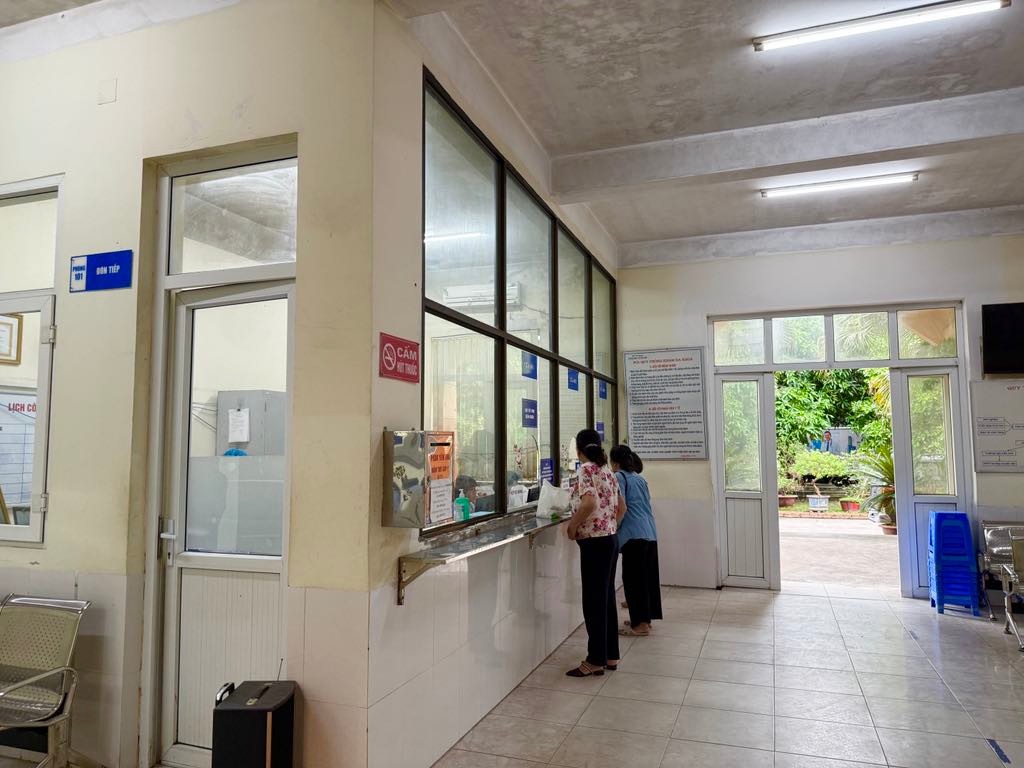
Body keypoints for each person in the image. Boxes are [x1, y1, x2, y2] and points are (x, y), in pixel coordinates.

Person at [565, 429, 625, 677]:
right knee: (606, 599)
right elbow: (622, 508)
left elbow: (589, 502)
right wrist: (609, 525)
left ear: (579, 450)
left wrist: (573, 525)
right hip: (610, 540)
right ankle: (611, 656)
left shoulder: (586, 469)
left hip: (594, 543)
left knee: (593, 602)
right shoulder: (608, 471)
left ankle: (595, 659)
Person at [611, 445, 662, 636]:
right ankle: (644, 620)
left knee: (633, 580)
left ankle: (640, 625)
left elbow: (621, 507)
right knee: (646, 579)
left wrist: (613, 528)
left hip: (633, 535)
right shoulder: (640, 478)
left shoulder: (619, 477)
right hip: (649, 532)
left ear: (614, 462)